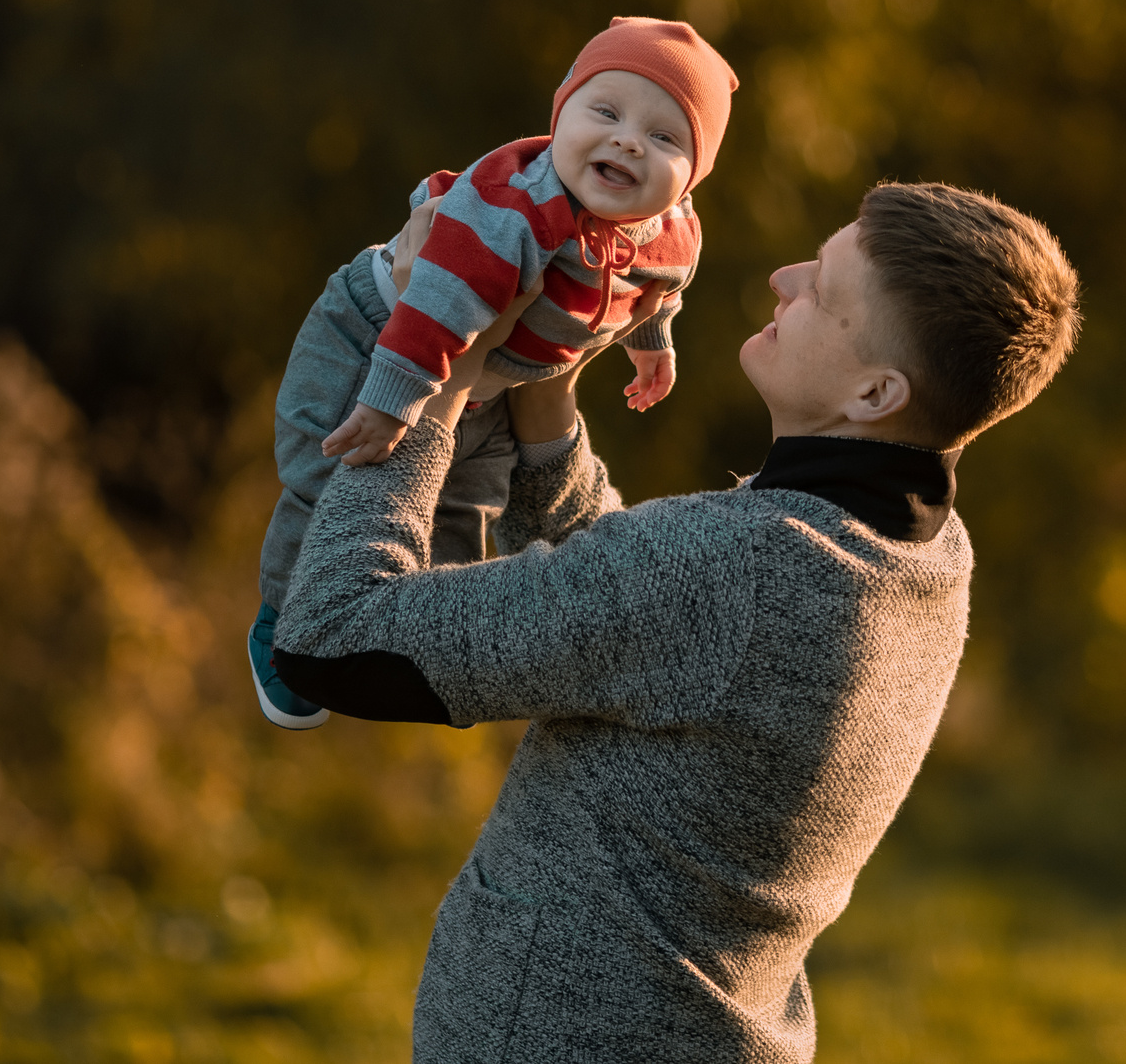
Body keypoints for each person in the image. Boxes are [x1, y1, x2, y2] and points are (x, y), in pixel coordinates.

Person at [273, 180, 1081, 1062]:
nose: (784, 277)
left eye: (824, 291)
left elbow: (334, 638)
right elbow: (633, 623)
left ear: (876, 392)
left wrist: (435, 366)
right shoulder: (922, 555)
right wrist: (547, 410)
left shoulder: (733, 569)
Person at [247, 16, 740, 731]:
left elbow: (664, 285)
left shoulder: (672, 232)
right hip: (383, 334)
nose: (629, 139)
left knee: (458, 519)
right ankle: (284, 614)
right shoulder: (515, 206)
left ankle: (392, 645)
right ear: (560, 113)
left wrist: (652, 343)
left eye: (665, 138)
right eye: (605, 112)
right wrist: (391, 402)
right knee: (335, 470)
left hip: (491, 386)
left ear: (689, 180)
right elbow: (442, 306)